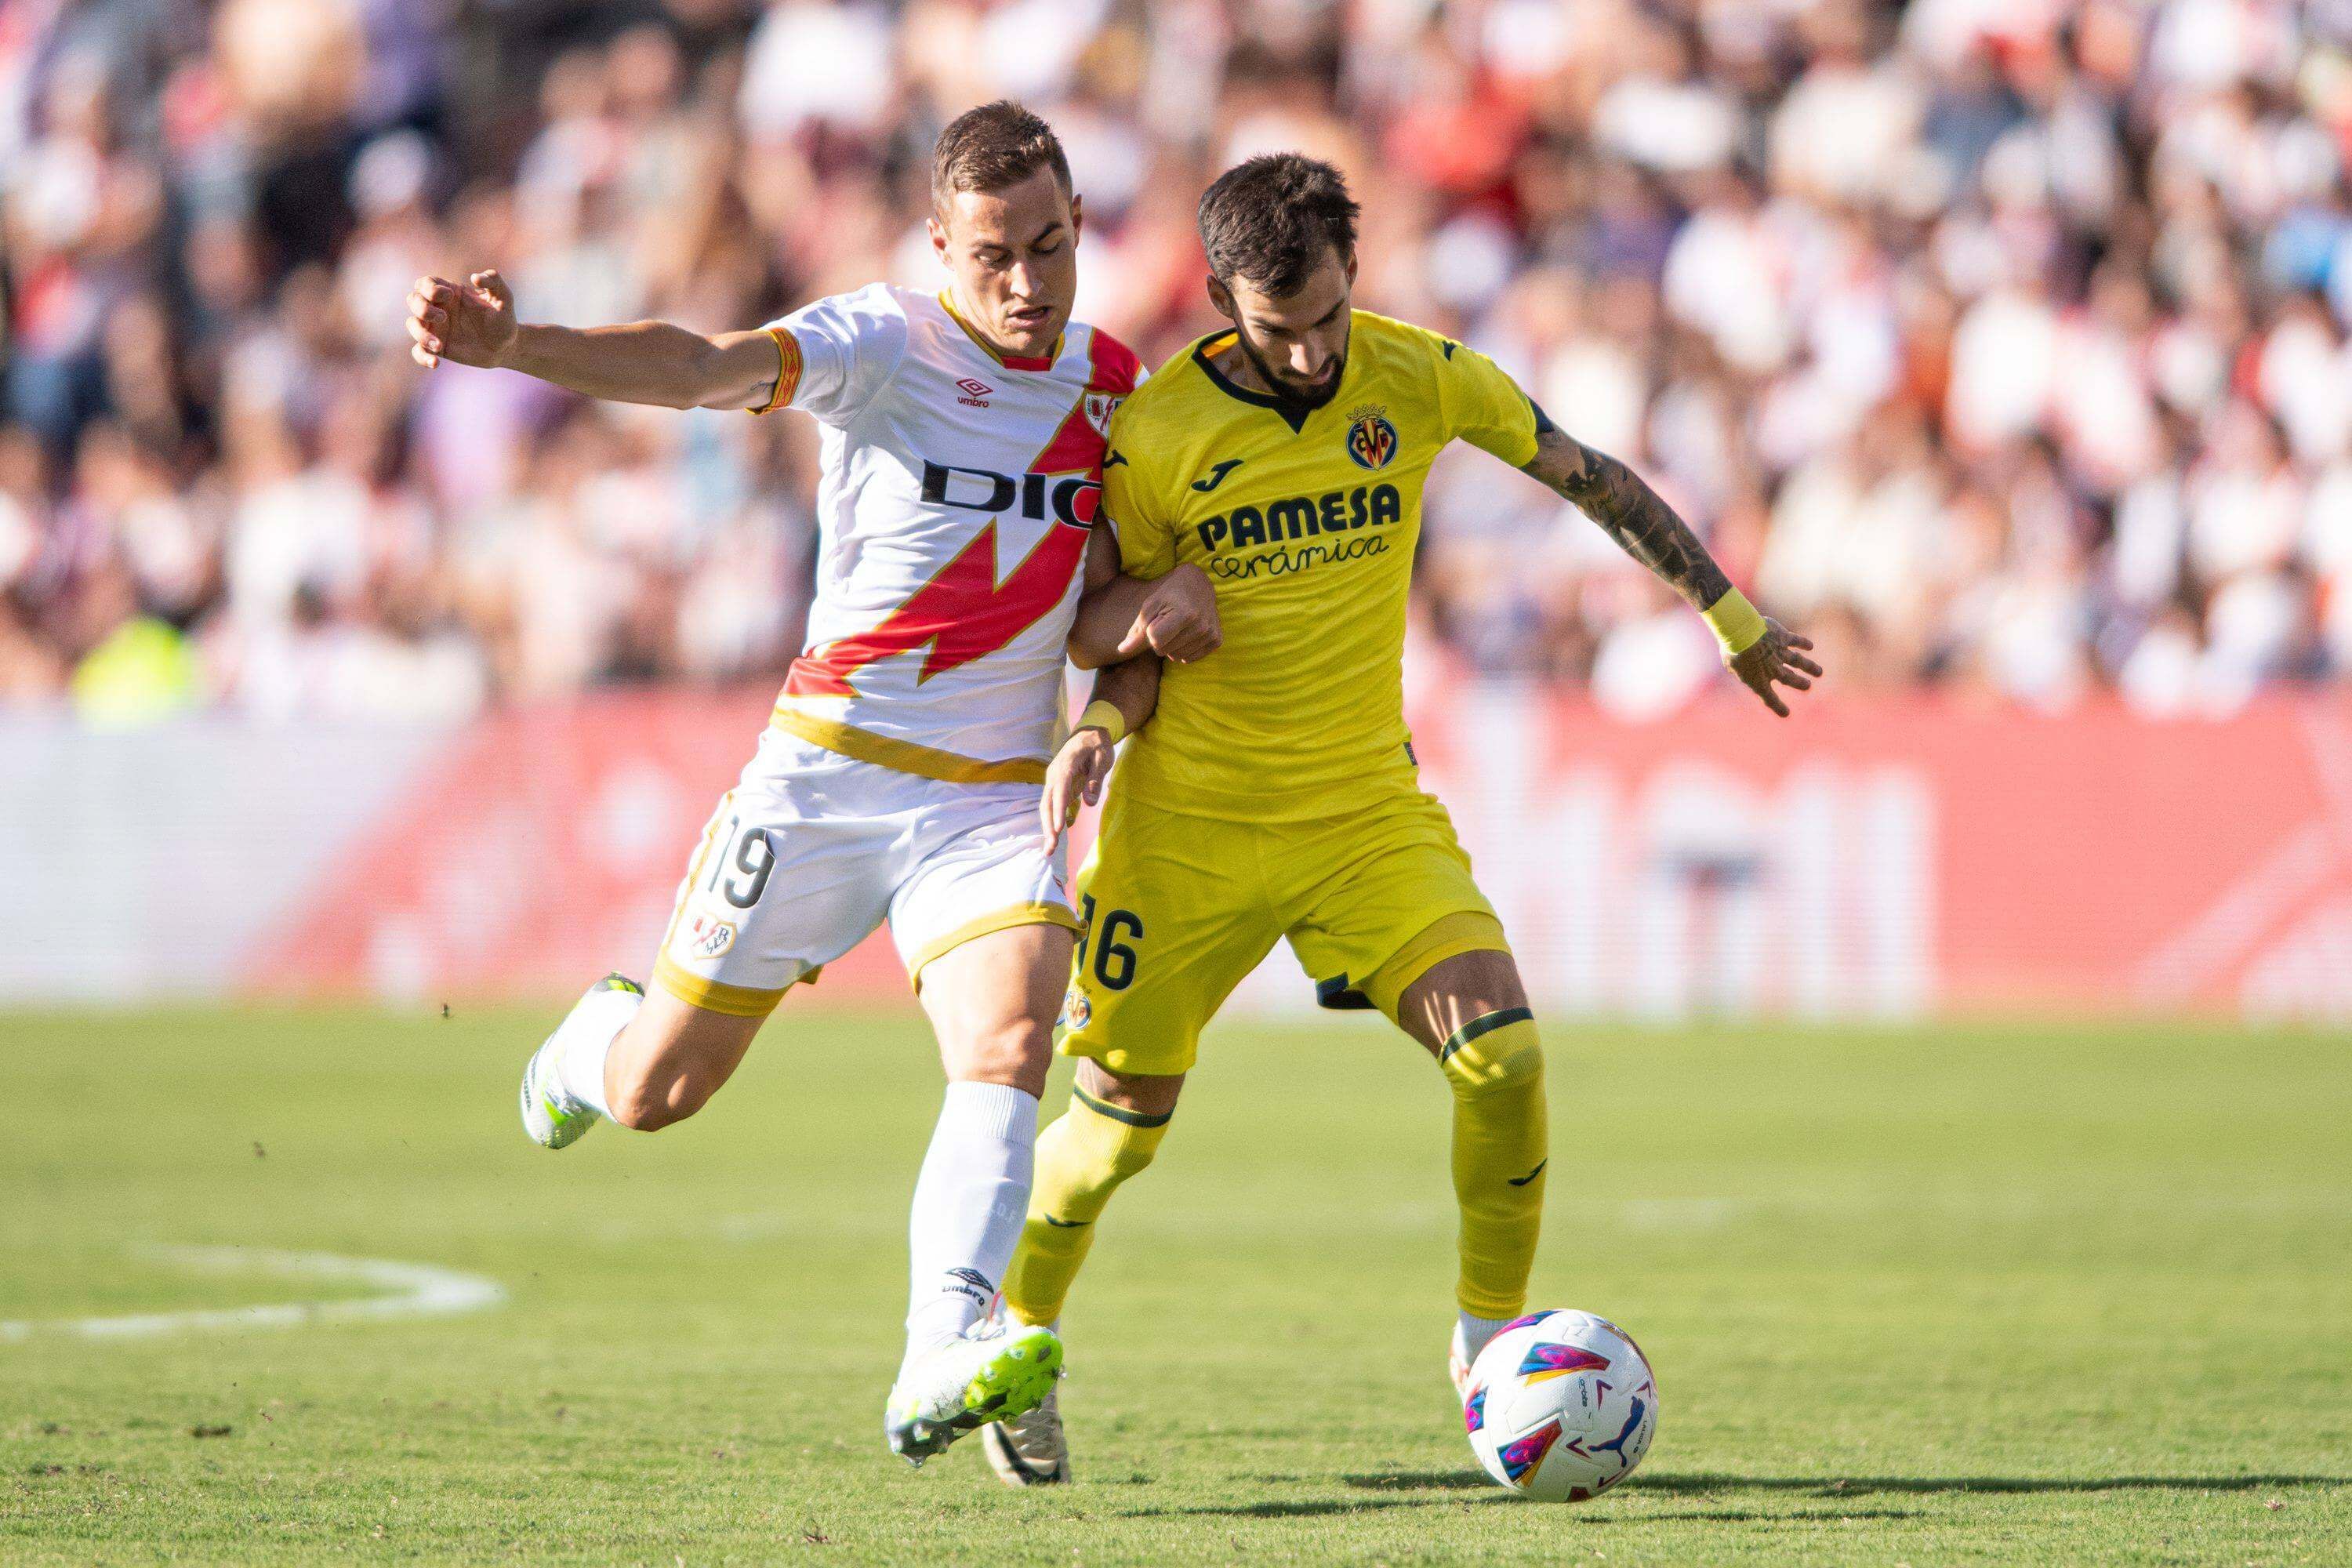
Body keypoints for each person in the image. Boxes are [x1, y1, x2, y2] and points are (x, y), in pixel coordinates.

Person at [978, 153, 1819, 1487]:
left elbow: (1590, 476)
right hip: (1187, 830)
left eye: (1329, 316)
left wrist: (1728, 615)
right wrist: (1104, 709)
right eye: (1280, 329)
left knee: (1507, 1060)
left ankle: (1490, 1350)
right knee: (1111, 1140)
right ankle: (1013, 1340)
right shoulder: (1159, 433)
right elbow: (1102, 630)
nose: (1313, 353)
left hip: (1364, 812)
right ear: (1224, 301)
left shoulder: (1418, 374)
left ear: (1352, 276)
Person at [401, 101, 1215, 1466]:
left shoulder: (1112, 387)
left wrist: (1158, 605)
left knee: (1011, 1043)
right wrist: (518, 345)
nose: (1027, 282)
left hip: (989, 798)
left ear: (1082, 228)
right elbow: (700, 366)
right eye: (995, 254)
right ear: (940, 248)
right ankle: (590, 1046)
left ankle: (943, 1346)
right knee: (659, 1090)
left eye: (1051, 246)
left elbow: (1084, 614)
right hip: (825, 782)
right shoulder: (880, 343)